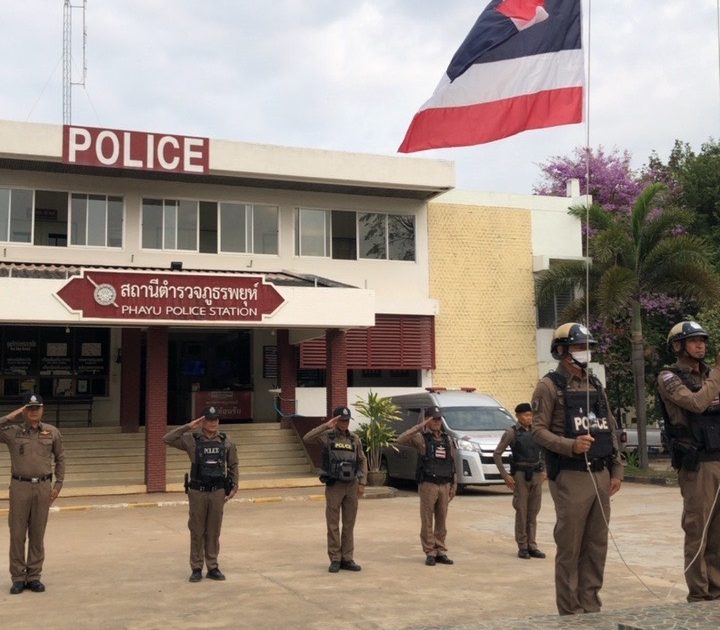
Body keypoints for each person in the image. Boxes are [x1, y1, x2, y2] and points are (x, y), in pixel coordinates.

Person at [531, 322, 623, 615]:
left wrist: (617, 467)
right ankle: (570, 611)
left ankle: (591, 605)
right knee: (570, 546)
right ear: (561, 350)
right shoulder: (549, 386)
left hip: (601, 472)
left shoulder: (595, 384)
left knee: (596, 545)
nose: (585, 352)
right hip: (571, 474)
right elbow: (537, 430)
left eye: (588, 347)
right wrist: (570, 445)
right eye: (579, 347)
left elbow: (609, 426)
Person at [656, 320, 720, 602]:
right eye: (694, 341)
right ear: (677, 346)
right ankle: (699, 592)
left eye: (703, 341)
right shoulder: (669, 377)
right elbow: (696, 403)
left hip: (717, 456)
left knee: (718, 532)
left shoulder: (710, 375)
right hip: (697, 462)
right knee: (698, 529)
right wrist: (718, 375)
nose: (700, 345)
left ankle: (717, 588)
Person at [164, 405, 238, 582]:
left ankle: (212, 566)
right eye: (209, 420)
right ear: (203, 421)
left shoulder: (226, 440)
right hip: (198, 492)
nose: (213, 423)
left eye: (215, 419)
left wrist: (234, 487)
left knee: (214, 530)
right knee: (197, 530)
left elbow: (233, 465)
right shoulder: (192, 440)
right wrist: (189, 426)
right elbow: (167, 438)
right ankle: (196, 567)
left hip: (217, 492)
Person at [0, 393, 65, 595]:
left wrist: (58, 485)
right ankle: (18, 578)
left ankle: (34, 576)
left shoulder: (52, 432)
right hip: (20, 487)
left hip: (43, 488)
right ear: (24, 411)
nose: (34, 411)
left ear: (43, 410)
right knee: (17, 534)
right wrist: (10, 416)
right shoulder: (13, 432)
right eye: (29, 408)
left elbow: (60, 458)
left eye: (37, 408)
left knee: (37, 533)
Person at [303, 406, 367, 573]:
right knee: (333, 524)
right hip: (335, 485)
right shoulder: (327, 437)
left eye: (347, 421)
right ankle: (335, 558)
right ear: (336, 420)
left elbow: (362, 460)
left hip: (351, 485)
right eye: (342, 420)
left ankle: (347, 558)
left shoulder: (354, 438)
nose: (345, 423)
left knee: (349, 523)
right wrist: (326, 425)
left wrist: (362, 482)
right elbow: (307, 438)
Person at [397, 405, 456, 566]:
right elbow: (400, 439)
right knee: (427, 519)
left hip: (444, 483)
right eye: (433, 419)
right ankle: (430, 551)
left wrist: (454, 484)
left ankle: (440, 550)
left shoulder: (447, 439)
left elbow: (452, 462)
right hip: (428, 484)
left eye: (438, 419)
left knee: (442, 520)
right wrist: (420, 426)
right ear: (427, 420)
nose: (436, 422)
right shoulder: (421, 438)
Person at [493, 402, 545, 560]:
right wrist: (505, 475)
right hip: (520, 475)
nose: (529, 418)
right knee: (522, 511)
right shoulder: (512, 433)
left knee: (533, 511)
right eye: (525, 415)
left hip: (536, 473)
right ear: (518, 416)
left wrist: (544, 470)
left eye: (530, 415)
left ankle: (532, 545)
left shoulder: (536, 432)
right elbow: (497, 454)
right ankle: (522, 546)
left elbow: (545, 450)